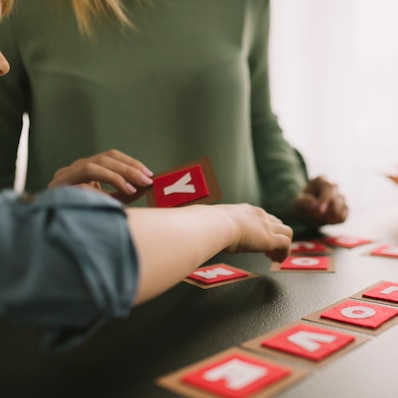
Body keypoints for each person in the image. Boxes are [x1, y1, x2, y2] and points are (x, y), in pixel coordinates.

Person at [0, 0, 293, 352]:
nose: (3, 64)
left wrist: (61, 213)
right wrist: (228, 221)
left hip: (235, 290)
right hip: (83, 314)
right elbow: (46, 249)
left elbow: (260, 119)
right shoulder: (19, 9)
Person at [0, 0, 349, 230]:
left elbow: (257, 123)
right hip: (84, 276)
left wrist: (294, 194)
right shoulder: (15, 7)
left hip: (240, 271)